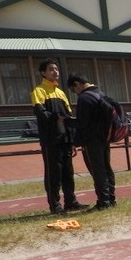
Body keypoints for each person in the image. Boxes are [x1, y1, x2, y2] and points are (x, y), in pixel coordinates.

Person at [30, 58, 87, 214]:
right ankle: (55, 205)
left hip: (65, 140)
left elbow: (68, 116)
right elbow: (41, 113)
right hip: (51, 140)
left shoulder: (61, 93)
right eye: (51, 69)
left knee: (68, 173)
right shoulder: (38, 91)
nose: (55, 72)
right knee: (53, 174)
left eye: (56, 69)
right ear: (43, 73)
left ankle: (71, 202)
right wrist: (55, 117)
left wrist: (73, 140)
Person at [64, 73, 116, 210]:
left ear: (77, 84)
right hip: (104, 138)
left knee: (97, 170)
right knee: (106, 168)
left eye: (74, 90)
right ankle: (111, 199)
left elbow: (82, 122)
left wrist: (65, 121)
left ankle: (103, 202)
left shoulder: (84, 98)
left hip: (91, 140)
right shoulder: (99, 93)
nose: (75, 93)